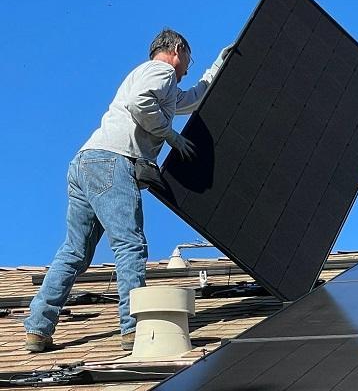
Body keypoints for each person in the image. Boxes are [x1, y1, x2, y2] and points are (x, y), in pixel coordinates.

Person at [24, 28, 231, 352]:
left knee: (74, 252)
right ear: (177, 49)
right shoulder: (161, 71)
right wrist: (170, 136)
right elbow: (140, 103)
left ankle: (38, 327)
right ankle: (133, 329)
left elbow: (190, 100)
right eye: (189, 59)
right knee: (130, 244)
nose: (188, 67)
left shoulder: (153, 78)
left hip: (85, 162)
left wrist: (218, 66)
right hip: (112, 162)